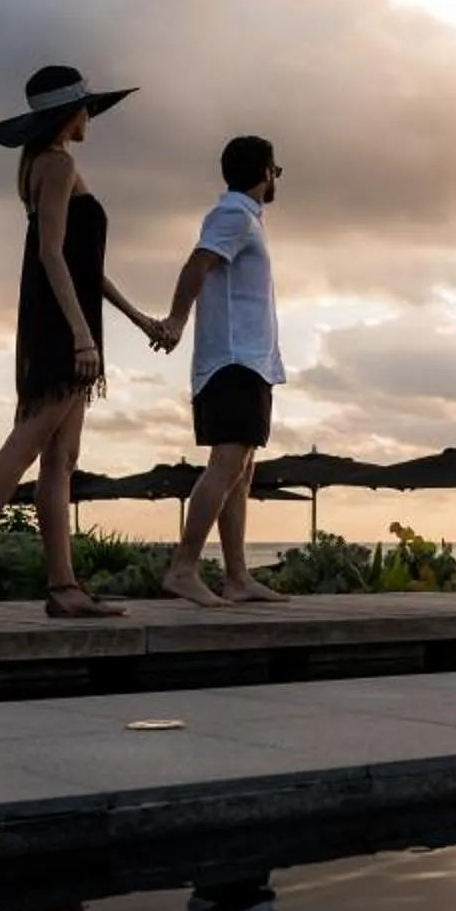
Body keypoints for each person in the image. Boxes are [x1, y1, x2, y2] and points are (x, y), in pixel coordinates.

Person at [0, 66, 171, 623]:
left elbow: (85, 266)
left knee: (61, 458)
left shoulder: (40, 165)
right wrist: (82, 334)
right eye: (86, 110)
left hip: (61, 314)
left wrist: (136, 319)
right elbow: (52, 255)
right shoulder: (57, 164)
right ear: (68, 115)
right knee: (29, 443)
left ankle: (64, 588)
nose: (91, 119)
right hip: (61, 323)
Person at [154, 135, 287, 607]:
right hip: (233, 360)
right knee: (227, 464)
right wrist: (175, 319)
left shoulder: (246, 218)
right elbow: (197, 264)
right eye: (276, 171)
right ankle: (184, 568)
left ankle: (236, 577)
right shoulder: (232, 215)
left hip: (250, 361)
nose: (277, 179)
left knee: (242, 470)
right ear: (265, 172)